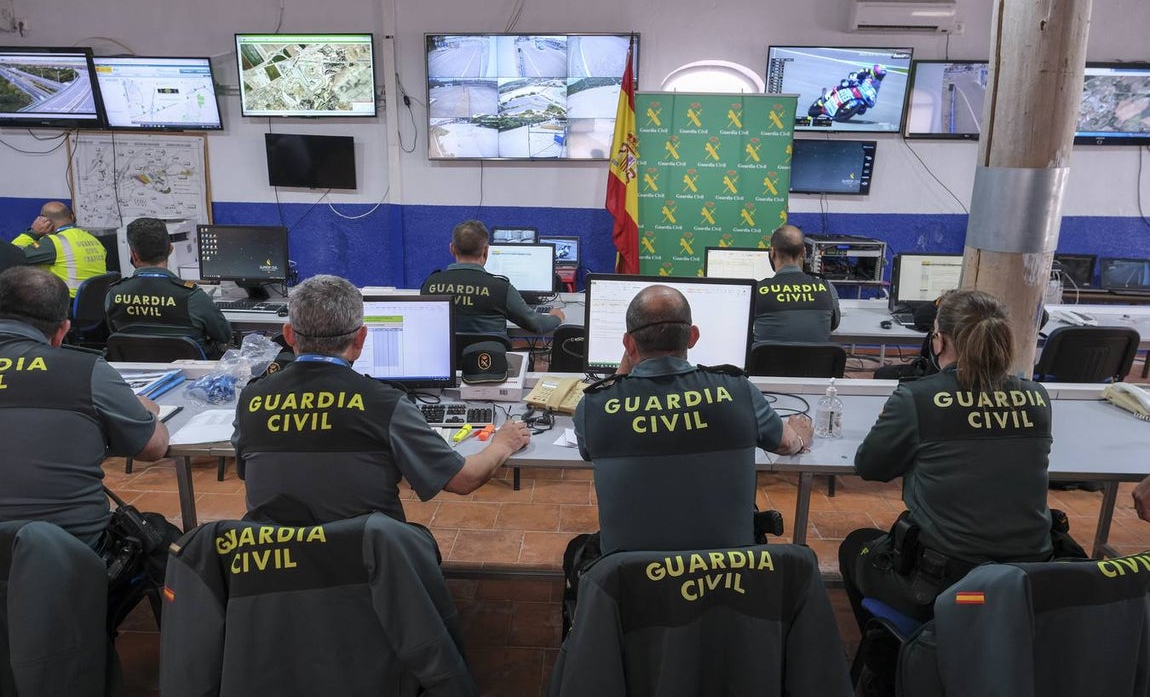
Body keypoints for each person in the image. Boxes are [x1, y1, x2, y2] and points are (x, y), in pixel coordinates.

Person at [838, 289, 1081, 697]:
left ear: (940, 341)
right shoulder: (1037, 399)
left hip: (945, 583)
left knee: (853, 546)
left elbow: (870, 466)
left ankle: (893, 676)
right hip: (1027, 576)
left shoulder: (918, 398)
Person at [232, 274, 533, 524]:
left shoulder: (251, 400)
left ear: (289, 335)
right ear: (361, 339)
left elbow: (248, 472)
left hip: (273, 568)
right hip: (369, 565)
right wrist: (502, 444)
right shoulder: (385, 404)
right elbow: (463, 480)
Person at [574, 284, 812, 554]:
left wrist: (624, 370)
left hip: (633, 577)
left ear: (629, 343)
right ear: (693, 336)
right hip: (729, 570)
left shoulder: (594, 407)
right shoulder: (738, 391)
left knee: (577, 549)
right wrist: (800, 433)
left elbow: (590, 445)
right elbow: (786, 444)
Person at [0, 266, 170, 551]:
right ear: (61, 332)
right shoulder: (85, 370)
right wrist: (147, 411)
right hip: (69, 555)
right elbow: (153, 447)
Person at [104, 217, 233, 358]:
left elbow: (114, 334)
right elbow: (224, 335)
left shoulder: (113, 295)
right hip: (191, 375)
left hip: (134, 374)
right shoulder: (192, 296)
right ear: (170, 249)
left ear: (134, 255)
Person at [420, 219, 564, 337]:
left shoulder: (430, 285)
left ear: (452, 248)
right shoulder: (501, 288)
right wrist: (556, 317)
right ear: (486, 250)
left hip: (446, 367)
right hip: (489, 367)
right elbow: (537, 325)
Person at [752, 224, 841, 343]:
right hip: (813, 361)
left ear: (772, 252)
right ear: (803, 252)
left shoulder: (756, 291)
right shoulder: (827, 288)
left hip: (770, 361)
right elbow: (833, 324)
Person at [11, 201, 107, 297]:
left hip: (65, 304)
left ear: (45, 221)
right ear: (72, 217)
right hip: (93, 302)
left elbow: (12, 255)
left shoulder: (53, 243)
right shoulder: (93, 239)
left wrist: (33, 233)